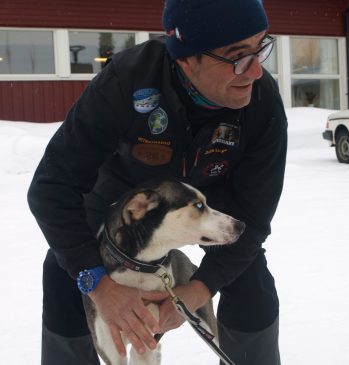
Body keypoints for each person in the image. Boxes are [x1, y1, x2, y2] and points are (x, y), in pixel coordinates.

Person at [27, 0, 287, 364]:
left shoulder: (261, 102)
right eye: (237, 56)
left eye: (261, 47)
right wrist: (100, 286)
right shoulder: (129, 80)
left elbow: (254, 216)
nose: (256, 71)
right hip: (121, 193)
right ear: (185, 59)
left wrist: (197, 290)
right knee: (63, 272)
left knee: (250, 280)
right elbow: (52, 187)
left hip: (211, 191)